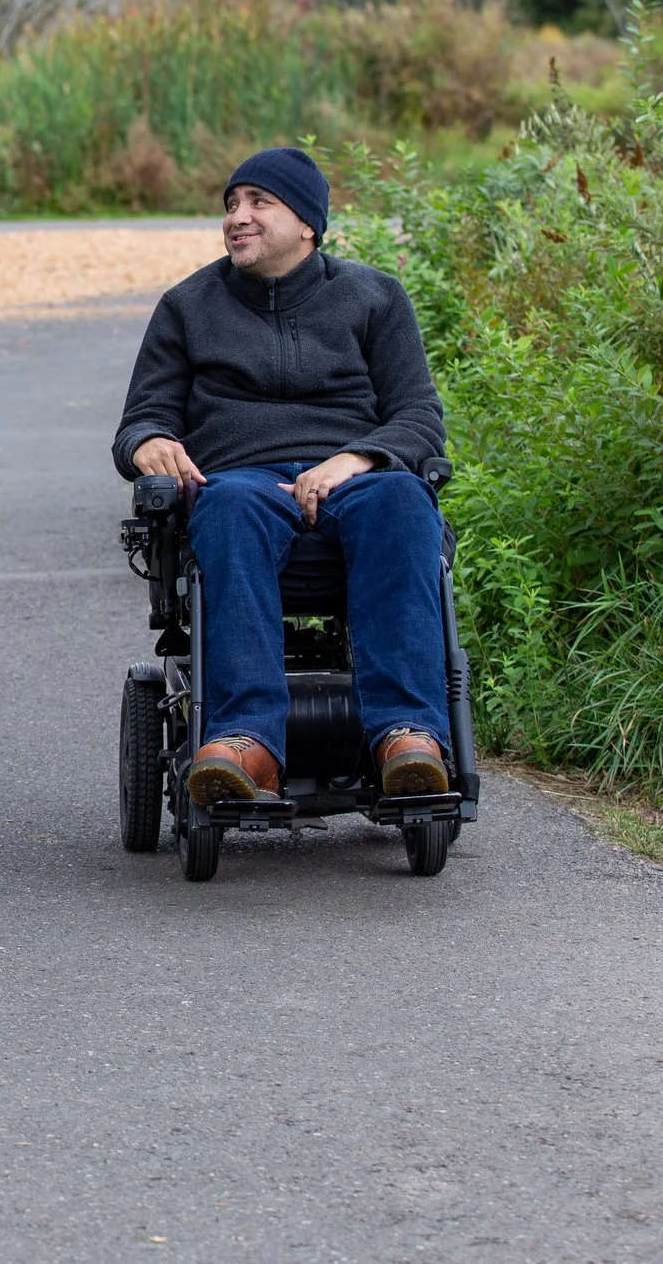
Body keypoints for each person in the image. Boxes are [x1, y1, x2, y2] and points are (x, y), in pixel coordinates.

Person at [110, 146, 453, 804]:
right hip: (241, 482)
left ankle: (406, 736)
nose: (238, 216)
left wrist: (354, 459)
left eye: (258, 202)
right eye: (231, 204)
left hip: (354, 476)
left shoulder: (374, 297)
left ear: (307, 223)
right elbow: (140, 420)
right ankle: (249, 743)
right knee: (228, 508)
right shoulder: (188, 306)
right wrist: (150, 440)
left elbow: (418, 417)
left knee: (405, 500)